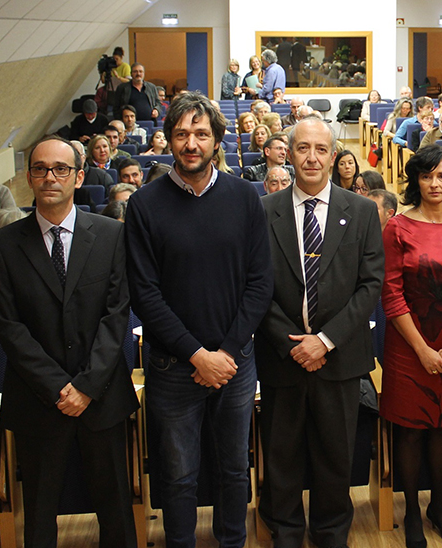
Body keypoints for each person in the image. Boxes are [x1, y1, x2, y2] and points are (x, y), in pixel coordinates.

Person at [125, 91, 274, 548]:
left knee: (234, 470)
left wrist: (225, 352)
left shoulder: (245, 198)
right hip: (173, 369)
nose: (191, 143)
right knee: (178, 476)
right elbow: (145, 295)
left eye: (201, 134)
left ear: (217, 141)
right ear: (169, 139)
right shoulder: (144, 204)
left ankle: (232, 542)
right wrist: (196, 355)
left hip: (235, 362)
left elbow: (260, 283)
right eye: (182, 134)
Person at [0, 136, 138, 548]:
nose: (50, 177)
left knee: (116, 511)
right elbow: (9, 326)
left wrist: (86, 386)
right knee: (39, 514)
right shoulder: (3, 244)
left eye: (61, 169)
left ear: (79, 175)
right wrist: (57, 387)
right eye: (40, 169)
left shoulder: (110, 235)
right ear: (29, 177)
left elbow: (115, 315)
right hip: (39, 399)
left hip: (101, 395)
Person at [255, 116, 384, 548]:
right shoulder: (263, 211)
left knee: (336, 457)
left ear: (333, 155)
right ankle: (286, 532)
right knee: (282, 456)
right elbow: (253, 287)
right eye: (303, 148)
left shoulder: (362, 211)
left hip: (340, 357)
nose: (312, 157)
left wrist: (325, 340)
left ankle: (331, 534)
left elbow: (370, 285)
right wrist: (292, 343)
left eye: (321, 149)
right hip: (282, 356)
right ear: (288, 153)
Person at [380, 144, 442, 548]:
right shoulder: (398, 228)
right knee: (409, 431)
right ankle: (411, 513)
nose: (434, 183)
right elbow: (391, 294)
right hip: (409, 345)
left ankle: (439, 508)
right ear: (415, 181)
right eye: (426, 176)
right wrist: (422, 349)